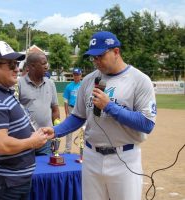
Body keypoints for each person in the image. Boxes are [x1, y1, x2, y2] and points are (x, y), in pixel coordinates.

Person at [43, 31, 157, 200]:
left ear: (116, 52)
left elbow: (146, 124)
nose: (96, 61)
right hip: (91, 157)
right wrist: (56, 131)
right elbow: (78, 116)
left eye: (100, 56)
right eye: (93, 57)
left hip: (124, 158)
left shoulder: (139, 80)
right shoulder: (89, 80)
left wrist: (109, 106)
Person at [0, 40, 52, 200]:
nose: (17, 69)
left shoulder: (4, 93)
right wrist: (33, 141)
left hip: (12, 183)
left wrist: (34, 134)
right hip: (4, 186)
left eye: (17, 64)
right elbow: (2, 145)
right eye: (11, 64)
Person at [18, 52, 60, 155]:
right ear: (32, 66)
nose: (46, 66)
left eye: (47, 63)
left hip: (46, 139)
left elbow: (55, 109)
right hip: (26, 139)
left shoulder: (50, 83)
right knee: (27, 169)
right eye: (43, 63)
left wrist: (56, 130)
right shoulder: (19, 84)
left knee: (45, 169)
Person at [62, 67, 82, 154]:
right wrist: (66, 113)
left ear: (81, 75)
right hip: (71, 108)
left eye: (77, 75)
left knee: (83, 130)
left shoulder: (83, 85)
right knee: (69, 130)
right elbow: (66, 101)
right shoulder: (69, 86)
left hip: (81, 109)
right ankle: (67, 150)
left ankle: (83, 150)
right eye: (74, 74)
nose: (76, 76)